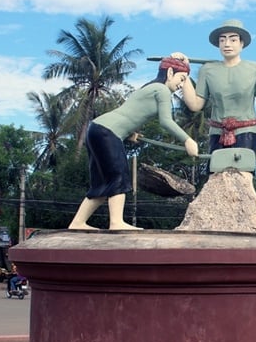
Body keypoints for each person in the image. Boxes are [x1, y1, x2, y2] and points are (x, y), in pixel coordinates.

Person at [68, 57, 198, 230]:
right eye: (181, 79)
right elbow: (166, 121)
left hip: (98, 129)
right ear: (170, 73)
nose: (182, 85)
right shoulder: (162, 90)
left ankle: (77, 223)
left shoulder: (149, 88)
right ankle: (116, 223)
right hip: (108, 132)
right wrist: (187, 140)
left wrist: (130, 132)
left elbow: (131, 112)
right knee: (119, 176)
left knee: (101, 183)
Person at [176, 19, 256, 156]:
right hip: (217, 133)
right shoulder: (207, 70)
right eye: (222, 40)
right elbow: (195, 105)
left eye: (233, 40)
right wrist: (184, 71)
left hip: (246, 133)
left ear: (242, 43)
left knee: (242, 172)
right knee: (215, 172)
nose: (227, 44)